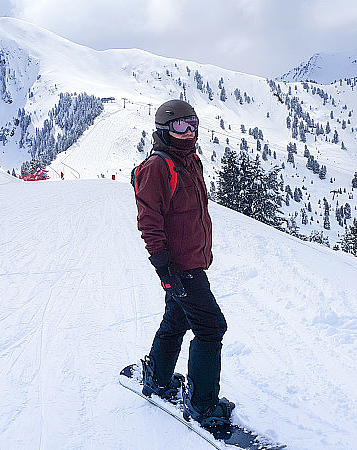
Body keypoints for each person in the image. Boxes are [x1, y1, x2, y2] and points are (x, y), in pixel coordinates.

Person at [133, 99, 234, 426]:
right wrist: (164, 269)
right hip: (181, 269)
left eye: (192, 124)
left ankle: (158, 379)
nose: (189, 131)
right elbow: (150, 221)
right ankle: (202, 407)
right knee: (211, 327)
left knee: (177, 320)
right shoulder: (157, 168)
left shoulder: (191, 162)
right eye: (180, 126)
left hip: (193, 262)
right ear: (165, 130)